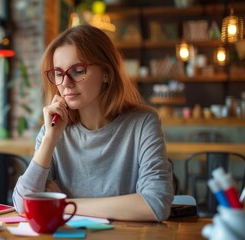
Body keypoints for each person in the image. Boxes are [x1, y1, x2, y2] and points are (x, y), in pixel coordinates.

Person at [12, 24, 174, 222]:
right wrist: (49, 139)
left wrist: (66, 203)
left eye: (78, 70)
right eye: (59, 73)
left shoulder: (143, 123)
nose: (66, 83)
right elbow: (22, 206)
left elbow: (156, 204)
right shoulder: (53, 129)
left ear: (106, 73)